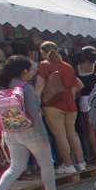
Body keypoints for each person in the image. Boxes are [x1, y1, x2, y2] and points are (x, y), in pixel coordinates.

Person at [0, 56, 71, 190]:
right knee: (46, 164)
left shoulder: (1, 87)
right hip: (31, 132)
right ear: (24, 71)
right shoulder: (25, 88)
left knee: (15, 167)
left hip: (10, 132)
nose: (33, 73)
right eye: (31, 70)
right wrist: (44, 135)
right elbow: (35, 114)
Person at [35, 41, 86, 174]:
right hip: (70, 104)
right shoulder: (68, 66)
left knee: (60, 135)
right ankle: (81, 163)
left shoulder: (43, 65)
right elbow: (79, 84)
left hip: (52, 105)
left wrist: (36, 103)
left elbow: (40, 86)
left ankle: (68, 165)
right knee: (72, 133)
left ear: (43, 52)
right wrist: (71, 94)